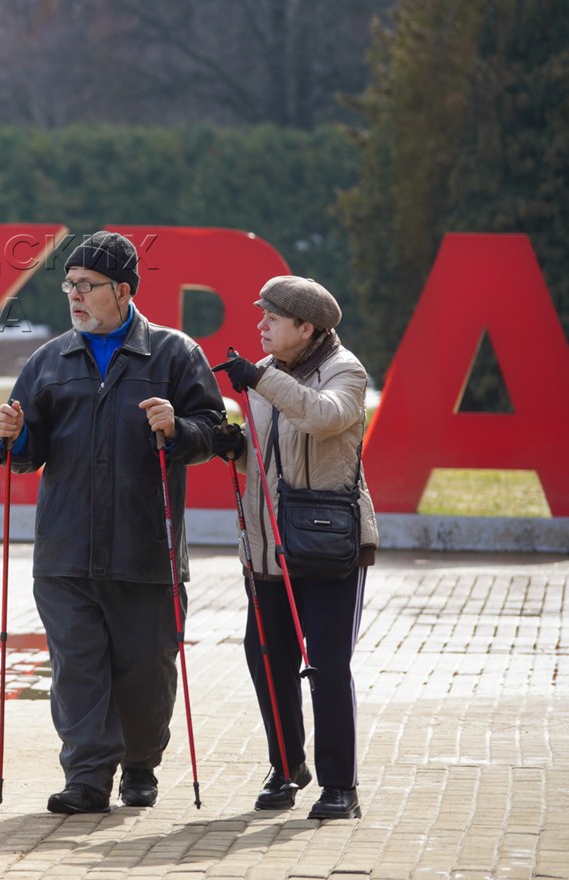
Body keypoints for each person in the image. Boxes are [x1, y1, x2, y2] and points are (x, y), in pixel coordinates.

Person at [0, 230, 226, 814]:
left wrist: (178, 427)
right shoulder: (49, 360)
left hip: (146, 551)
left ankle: (140, 764)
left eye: (86, 285)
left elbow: (214, 432)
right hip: (65, 550)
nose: (74, 295)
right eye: (69, 285)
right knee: (77, 670)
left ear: (123, 290)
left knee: (145, 669)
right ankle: (87, 779)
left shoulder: (174, 354)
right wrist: (10, 435)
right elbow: (25, 454)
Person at [212, 275, 378, 821]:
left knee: (327, 665)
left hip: (330, 545)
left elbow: (323, 417)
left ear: (306, 328)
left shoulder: (346, 371)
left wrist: (260, 379)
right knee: (267, 658)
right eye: (261, 315)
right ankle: (286, 768)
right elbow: (267, 458)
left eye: (273, 318)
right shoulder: (268, 373)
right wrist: (233, 445)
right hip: (267, 546)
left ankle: (340, 786)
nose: (260, 325)